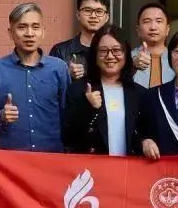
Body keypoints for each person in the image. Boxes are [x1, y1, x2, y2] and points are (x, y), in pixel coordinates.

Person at [0, 3, 69, 152]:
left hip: (52, 157)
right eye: (22, 27)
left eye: (35, 27)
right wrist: (1, 115)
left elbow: (69, 115)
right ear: (10, 33)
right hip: (13, 159)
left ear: (43, 32)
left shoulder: (59, 68)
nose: (29, 33)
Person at [62, 25, 147, 155]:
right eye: (103, 51)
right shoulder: (78, 90)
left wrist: (147, 140)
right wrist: (88, 107)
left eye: (116, 50)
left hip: (129, 166)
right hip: (93, 166)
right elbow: (68, 138)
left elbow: (146, 132)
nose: (110, 56)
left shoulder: (139, 93)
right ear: (94, 55)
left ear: (126, 53)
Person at [50, 0, 111, 80]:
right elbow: (50, 84)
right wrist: (66, 74)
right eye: (87, 10)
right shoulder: (60, 51)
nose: (93, 16)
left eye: (99, 11)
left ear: (106, 17)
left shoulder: (115, 52)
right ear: (78, 15)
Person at [131, 3, 174, 89]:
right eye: (147, 22)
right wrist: (131, 66)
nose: (153, 27)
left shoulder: (176, 58)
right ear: (138, 30)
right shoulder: (127, 58)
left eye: (159, 21)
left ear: (167, 29)